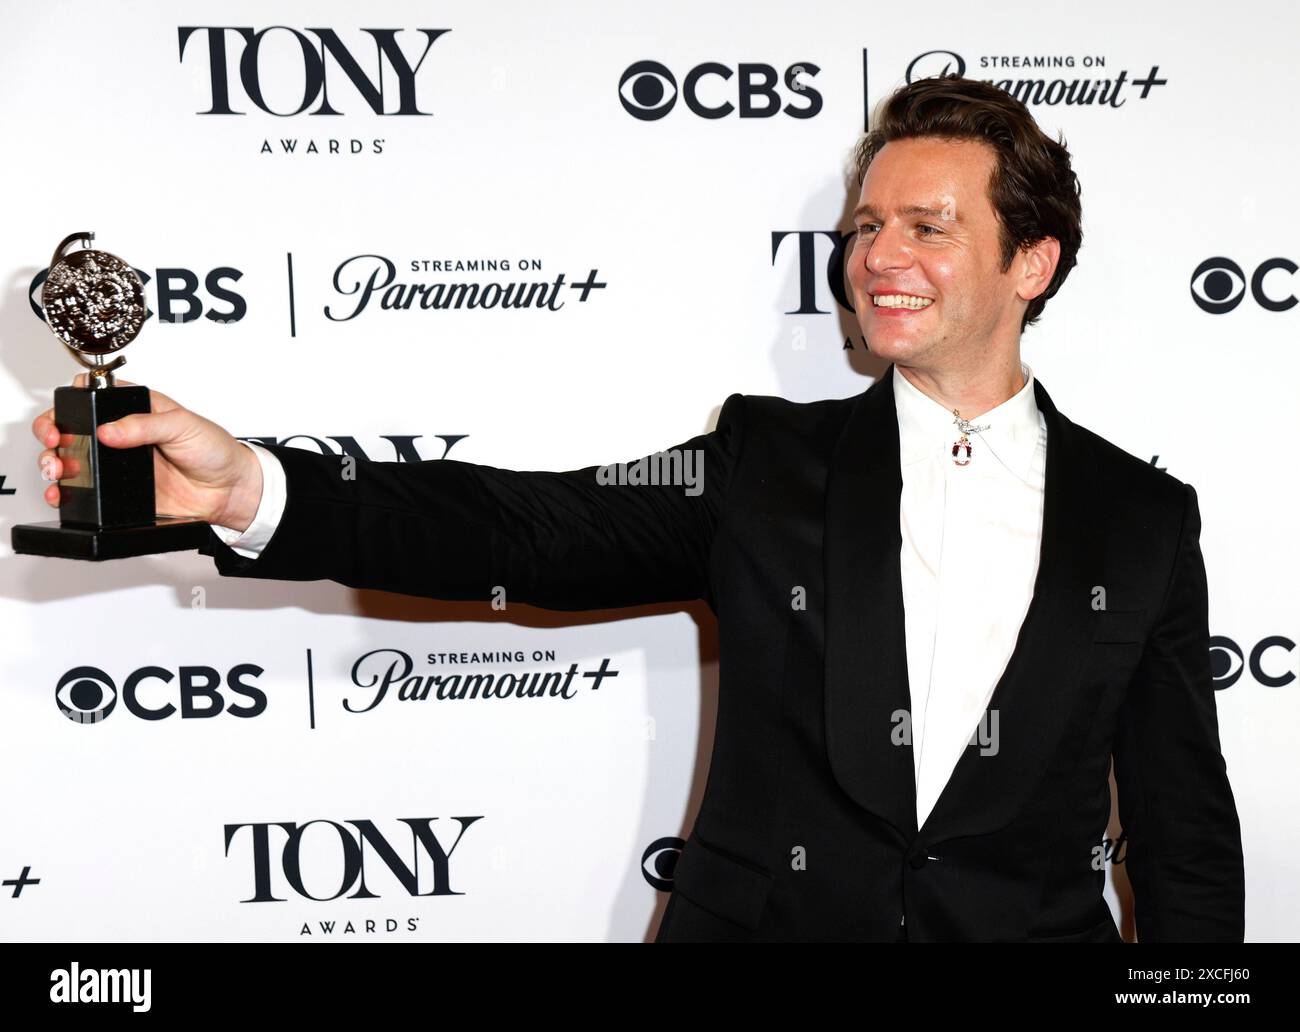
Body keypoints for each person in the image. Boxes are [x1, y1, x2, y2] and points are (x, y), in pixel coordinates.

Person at [30, 74, 1244, 942]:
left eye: (928, 226)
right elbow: (529, 529)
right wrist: (257, 486)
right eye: (866, 226)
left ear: (1029, 263)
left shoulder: (1142, 519)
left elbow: (1184, 827)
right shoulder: (764, 461)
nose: (879, 255)